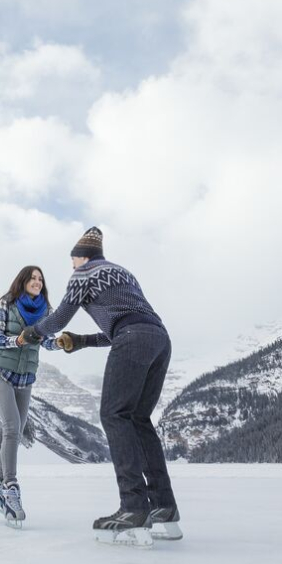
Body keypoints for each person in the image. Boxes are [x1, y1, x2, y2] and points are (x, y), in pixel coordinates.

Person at [20, 227, 180, 537]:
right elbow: (127, 325)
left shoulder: (84, 274)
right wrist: (80, 341)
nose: (72, 267)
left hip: (134, 339)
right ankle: (164, 507)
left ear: (80, 257)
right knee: (138, 418)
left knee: (113, 414)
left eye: (72, 262)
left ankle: (134, 507)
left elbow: (60, 317)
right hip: (159, 339)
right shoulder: (124, 274)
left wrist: (34, 332)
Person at [0, 265, 58, 526]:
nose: (38, 282)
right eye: (33, 278)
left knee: (14, 435)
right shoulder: (7, 303)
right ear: (23, 280)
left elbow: (46, 341)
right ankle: (10, 488)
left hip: (26, 378)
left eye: (41, 279)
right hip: (2, 373)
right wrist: (17, 341)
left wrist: (59, 343)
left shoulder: (46, 311)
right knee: (12, 429)